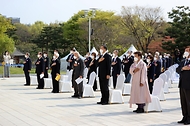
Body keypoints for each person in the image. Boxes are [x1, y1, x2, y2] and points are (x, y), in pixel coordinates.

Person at [176, 47, 190, 125]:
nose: (185, 52)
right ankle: (184, 116)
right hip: (182, 84)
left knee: (188, 102)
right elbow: (177, 69)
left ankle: (189, 117)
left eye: (187, 51)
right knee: (183, 101)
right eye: (185, 51)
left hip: (188, 84)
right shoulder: (183, 61)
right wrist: (183, 68)